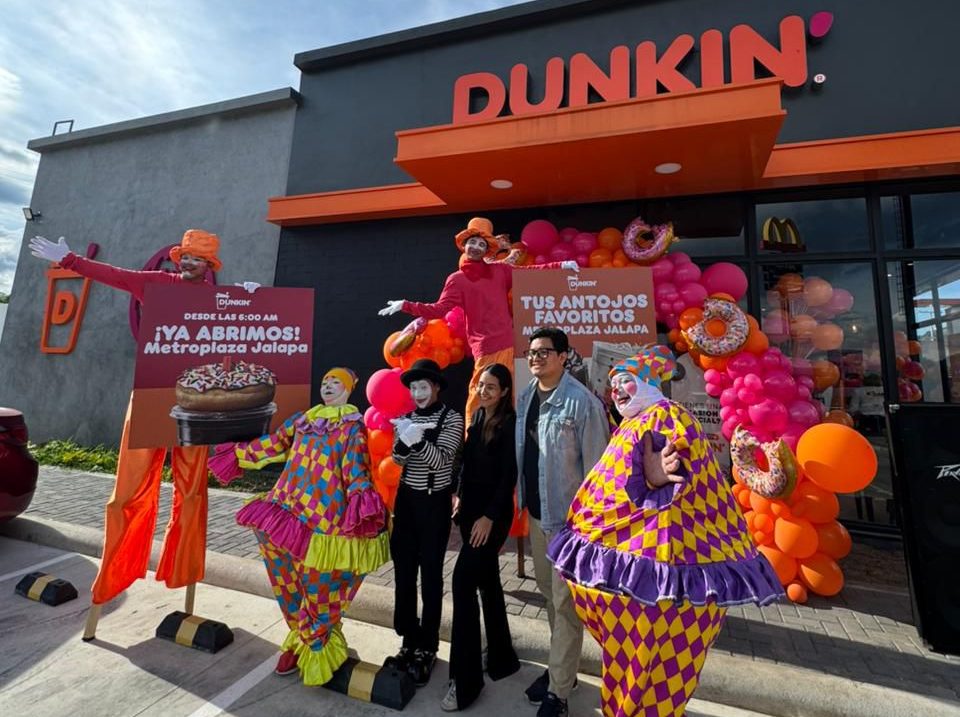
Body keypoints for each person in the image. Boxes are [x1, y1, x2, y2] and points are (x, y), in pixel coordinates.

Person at [28, 231, 256, 635]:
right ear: (178, 258)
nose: (188, 264)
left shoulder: (221, 300)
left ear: (209, 267)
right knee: (128, 492)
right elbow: (112, 274)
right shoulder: (156, 285)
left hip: (197, 404)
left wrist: (255, 299)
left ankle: (180, 571)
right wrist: (71, 260)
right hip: (151, 398)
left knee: (190, 493)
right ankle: (116, 575)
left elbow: (256, 331)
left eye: (197, 260)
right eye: (185, 257)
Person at [547, 346, 784, 717]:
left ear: (647, 383)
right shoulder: (633, 422)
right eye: (613, 385)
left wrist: (657, 477)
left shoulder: (668, 415)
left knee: (653, 665)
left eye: (625, 382)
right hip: (637, 570)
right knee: (633, 664)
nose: (618, 391)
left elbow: (679, 465)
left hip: (667, 572)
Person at [208, 367, 390, 684]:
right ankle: (301, 636)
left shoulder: (351, 427)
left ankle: (316, 644)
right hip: (288, 511)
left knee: (322, 587)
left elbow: (355, 468)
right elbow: (274, 444)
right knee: (286, 581)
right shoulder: (302, 420)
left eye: (336, 382)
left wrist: (363, 503)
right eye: (325, 381)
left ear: (349, 389)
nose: (329, 386)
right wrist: (237, 452)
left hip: (327, 522)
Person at [378, 217, 580, 420]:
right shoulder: (457, 280)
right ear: (464, 245)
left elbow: (528, 273)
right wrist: (405, 305)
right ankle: (472, 438)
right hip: (484, 346)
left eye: (481, 244)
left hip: (508, 342)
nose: (476, 247)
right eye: (472, 242)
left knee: (510, 393)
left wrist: (561, 265)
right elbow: (439, 310)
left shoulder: (499, 270)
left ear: (486, 250)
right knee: (479, 394)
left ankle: (509, 439)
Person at [515, 327, 610, 717]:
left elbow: (597, 471)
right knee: (549, 597)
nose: (536, 358)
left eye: (544, 352)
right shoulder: (526, 398)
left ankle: (559, 693)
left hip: (570, 526)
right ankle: (563, 672)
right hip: (539, 516)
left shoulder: (582, 403)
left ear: (564, 357)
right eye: (532, 352)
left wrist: (591, 529)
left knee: (567, 606)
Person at [441, 363, 521, 712]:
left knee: (461, 584)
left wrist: (489, 517)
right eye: (480, 385)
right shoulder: (476, 418)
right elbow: (467, 466)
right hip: (470, 513)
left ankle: (466, 682)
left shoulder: (510, 424)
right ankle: (502, 657)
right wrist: (457, 494)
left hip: (492, 517)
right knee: (488, 583)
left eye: (491, 387)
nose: (483, 391)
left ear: (504, 391)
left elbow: (508, 477)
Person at [386, 358, 464, 686]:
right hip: (406, 503)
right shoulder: (404, 418)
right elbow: (398, 458)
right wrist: (405, 437)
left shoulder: (453, 418)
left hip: (434, 503)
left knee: (430, 575)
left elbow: (442, 459)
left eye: (423, 386)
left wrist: (416, 439)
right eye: (414, 387)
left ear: (435, 388)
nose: (418, 392)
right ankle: (408, 639)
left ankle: (427, 646)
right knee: (404, 574)